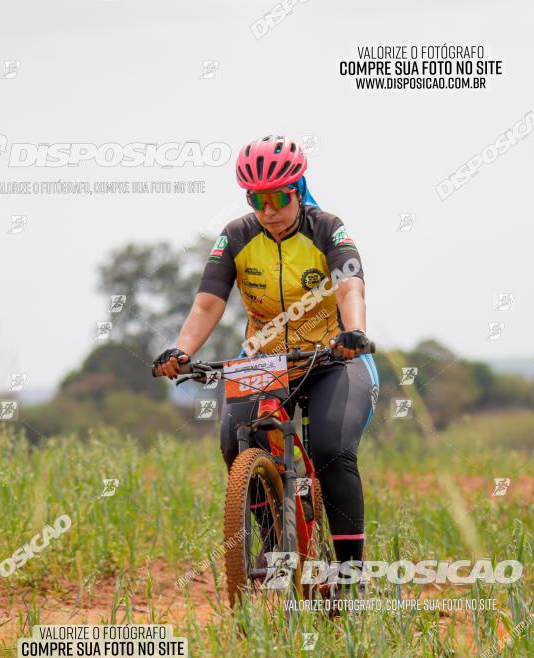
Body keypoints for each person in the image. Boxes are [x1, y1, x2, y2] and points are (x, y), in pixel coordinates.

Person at [154, 135, 379, 567]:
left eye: (278, 197)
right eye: (257, 199)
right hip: (264, 360)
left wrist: (355, 333)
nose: (269, 211)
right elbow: (207, 303)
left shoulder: (328, 228)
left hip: (333, 358)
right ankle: (273, 543)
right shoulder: (236, 236)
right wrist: (180, 351)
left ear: (297, 190)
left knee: (332, 450)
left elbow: (351, 287)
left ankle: (351, 574)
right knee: (234, 442)